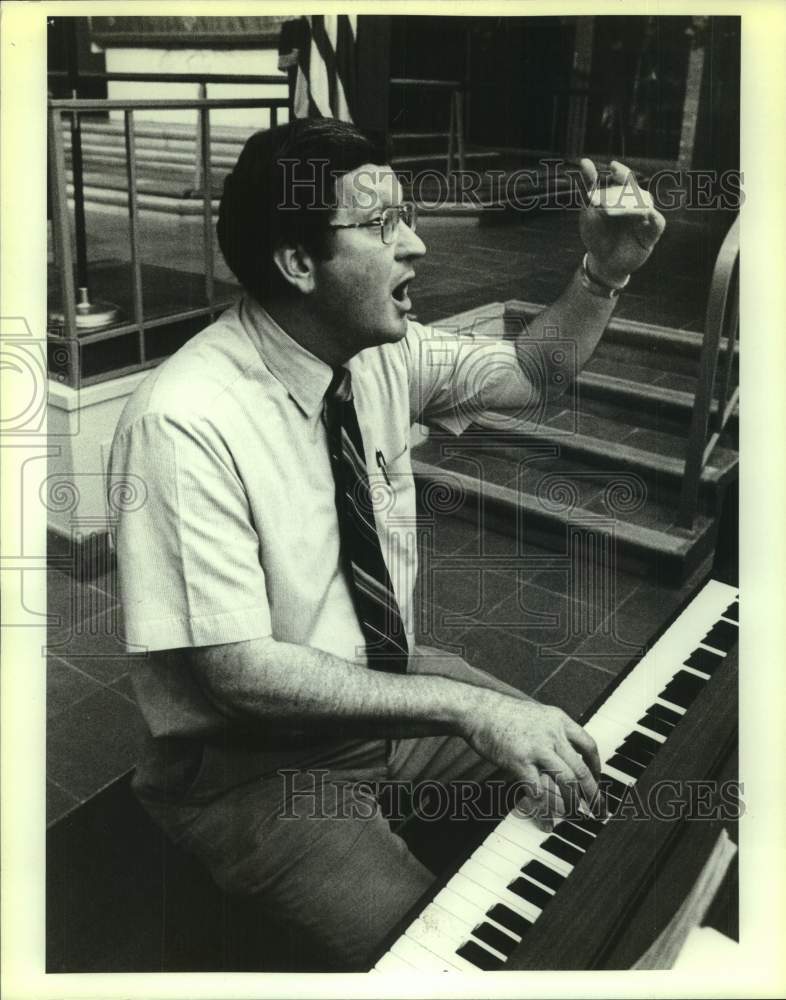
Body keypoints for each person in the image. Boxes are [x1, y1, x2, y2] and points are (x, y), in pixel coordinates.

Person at [108, 118, 665, 970]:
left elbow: (535, 372)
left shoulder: (375, 351)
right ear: (299, 262)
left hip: (385, 694)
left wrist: (603, 274)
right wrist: (467, 706)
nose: (417, 246)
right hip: (255, 770)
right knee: (439, 967)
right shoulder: (182, 421)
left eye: (407, 217)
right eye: (382, 226)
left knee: (586, 779)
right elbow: (239, 672)